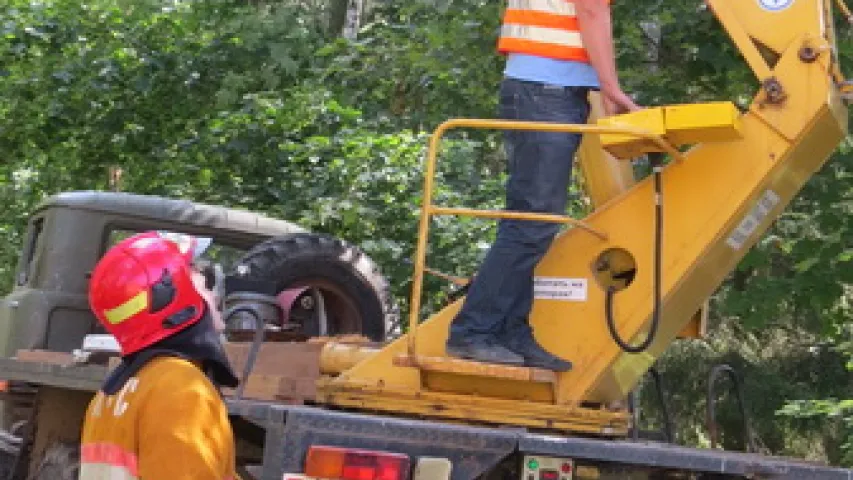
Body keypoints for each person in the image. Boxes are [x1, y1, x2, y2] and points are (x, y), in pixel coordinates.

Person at [446, 0, 640, 371]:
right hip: (547, 90)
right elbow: (592, 12)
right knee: (532, 222)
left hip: (543, 89)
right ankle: (474, 330)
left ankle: (509, 330)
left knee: (529, 220)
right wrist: (611, 88)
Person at [79, 231, 240, 480]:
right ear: (170, 299)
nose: (215, 296)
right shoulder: (181, 390)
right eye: (205, 286)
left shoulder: (113, 393)